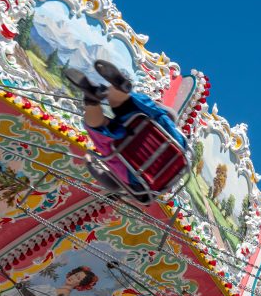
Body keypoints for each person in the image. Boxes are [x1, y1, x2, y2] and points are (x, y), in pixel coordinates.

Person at [65, 60, 186, 199]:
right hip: (135, 165)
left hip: (169, 142)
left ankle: (121, 89)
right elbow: (113, 185)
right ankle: (92, 100)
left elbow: (171, 115)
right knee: (101, 133)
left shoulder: (180, 162)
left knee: (132, 108)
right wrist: (90, 164)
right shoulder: (139, 191)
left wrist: (158, 107)